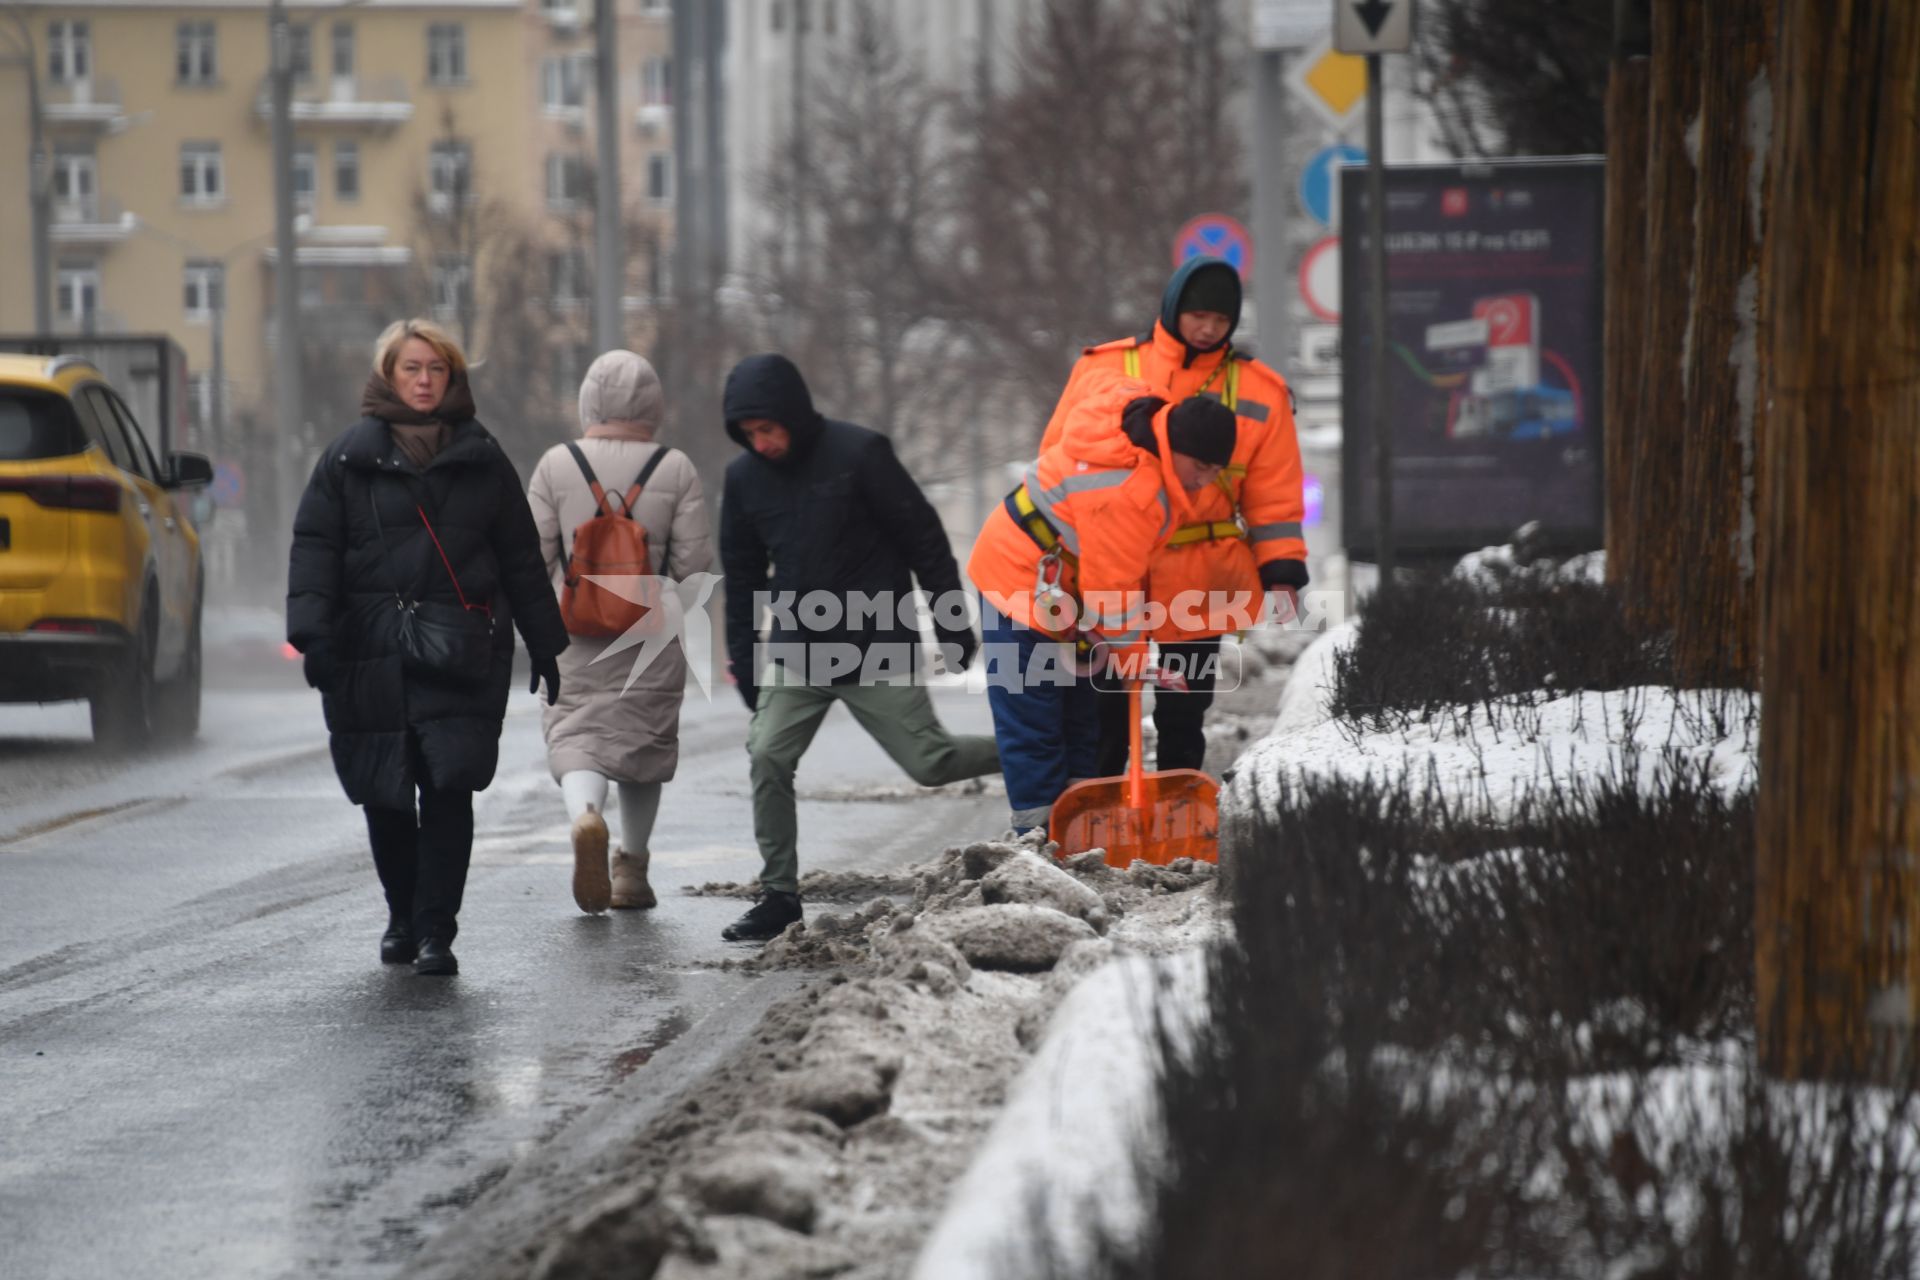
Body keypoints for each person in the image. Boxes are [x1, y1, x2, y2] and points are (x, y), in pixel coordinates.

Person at [287, 318, 568, 977]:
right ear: (388, 375)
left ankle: (437, 929)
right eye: (411, 368)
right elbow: (314, 552)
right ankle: (402, 915)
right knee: (384, 790)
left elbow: (521, 559)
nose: (423, 380)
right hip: (369, 652)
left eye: (435, 369)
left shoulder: (483, 458)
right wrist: (313, 636)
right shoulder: (347, 459)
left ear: (453, 377)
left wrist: (547, 645)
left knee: (448, 789)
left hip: (460, 652)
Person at [718, 353, 1000, 942]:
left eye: (768, 429)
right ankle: (778, 896)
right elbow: (742, 575)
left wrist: (952, 621)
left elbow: (923, 537)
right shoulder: (743, 480)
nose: (761, 443)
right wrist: (745, 658)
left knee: (931, 763)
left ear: (792, 415)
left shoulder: (860, 454)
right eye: (749, 434)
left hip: (877, 643)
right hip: (799, 649)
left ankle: (1041, 755)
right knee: (768, 753)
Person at [1040, 256, 1308, 775]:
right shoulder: (1105, 367)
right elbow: (1059, 458)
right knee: (1105, 707)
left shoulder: (1260, 391)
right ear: (1172, 308)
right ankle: (1102, 803)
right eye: (1197, 315)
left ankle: (1178, 800)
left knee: (1184, 709)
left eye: (1220, 320)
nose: (1208, 329)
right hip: (1116, 562)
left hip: (1201, 571)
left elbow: (1273, 491)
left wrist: (1282, 568)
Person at [971, 371, 1238, 834]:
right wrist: (1133, 661)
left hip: (1064, 588)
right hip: (1017, 579)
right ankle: (1037, 839)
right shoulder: (1128, 490)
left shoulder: (1145, 424)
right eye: (1202, 467)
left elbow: (1107, 379)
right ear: (1174, 445)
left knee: (1080, 713)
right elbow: (1111, 590)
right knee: (1033, 716)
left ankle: (1079, 829)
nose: (1208, 480)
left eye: (1217, 471)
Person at [527, 350, 712, 915]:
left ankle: (587, 815)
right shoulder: (675, 467)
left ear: (588, 400)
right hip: (650, 633)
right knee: (643, 747)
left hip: (572, 631)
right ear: (654, 404)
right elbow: (694, 565)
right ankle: (631, 870)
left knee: (576, 732)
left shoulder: (556, 464)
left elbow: (531, 555)